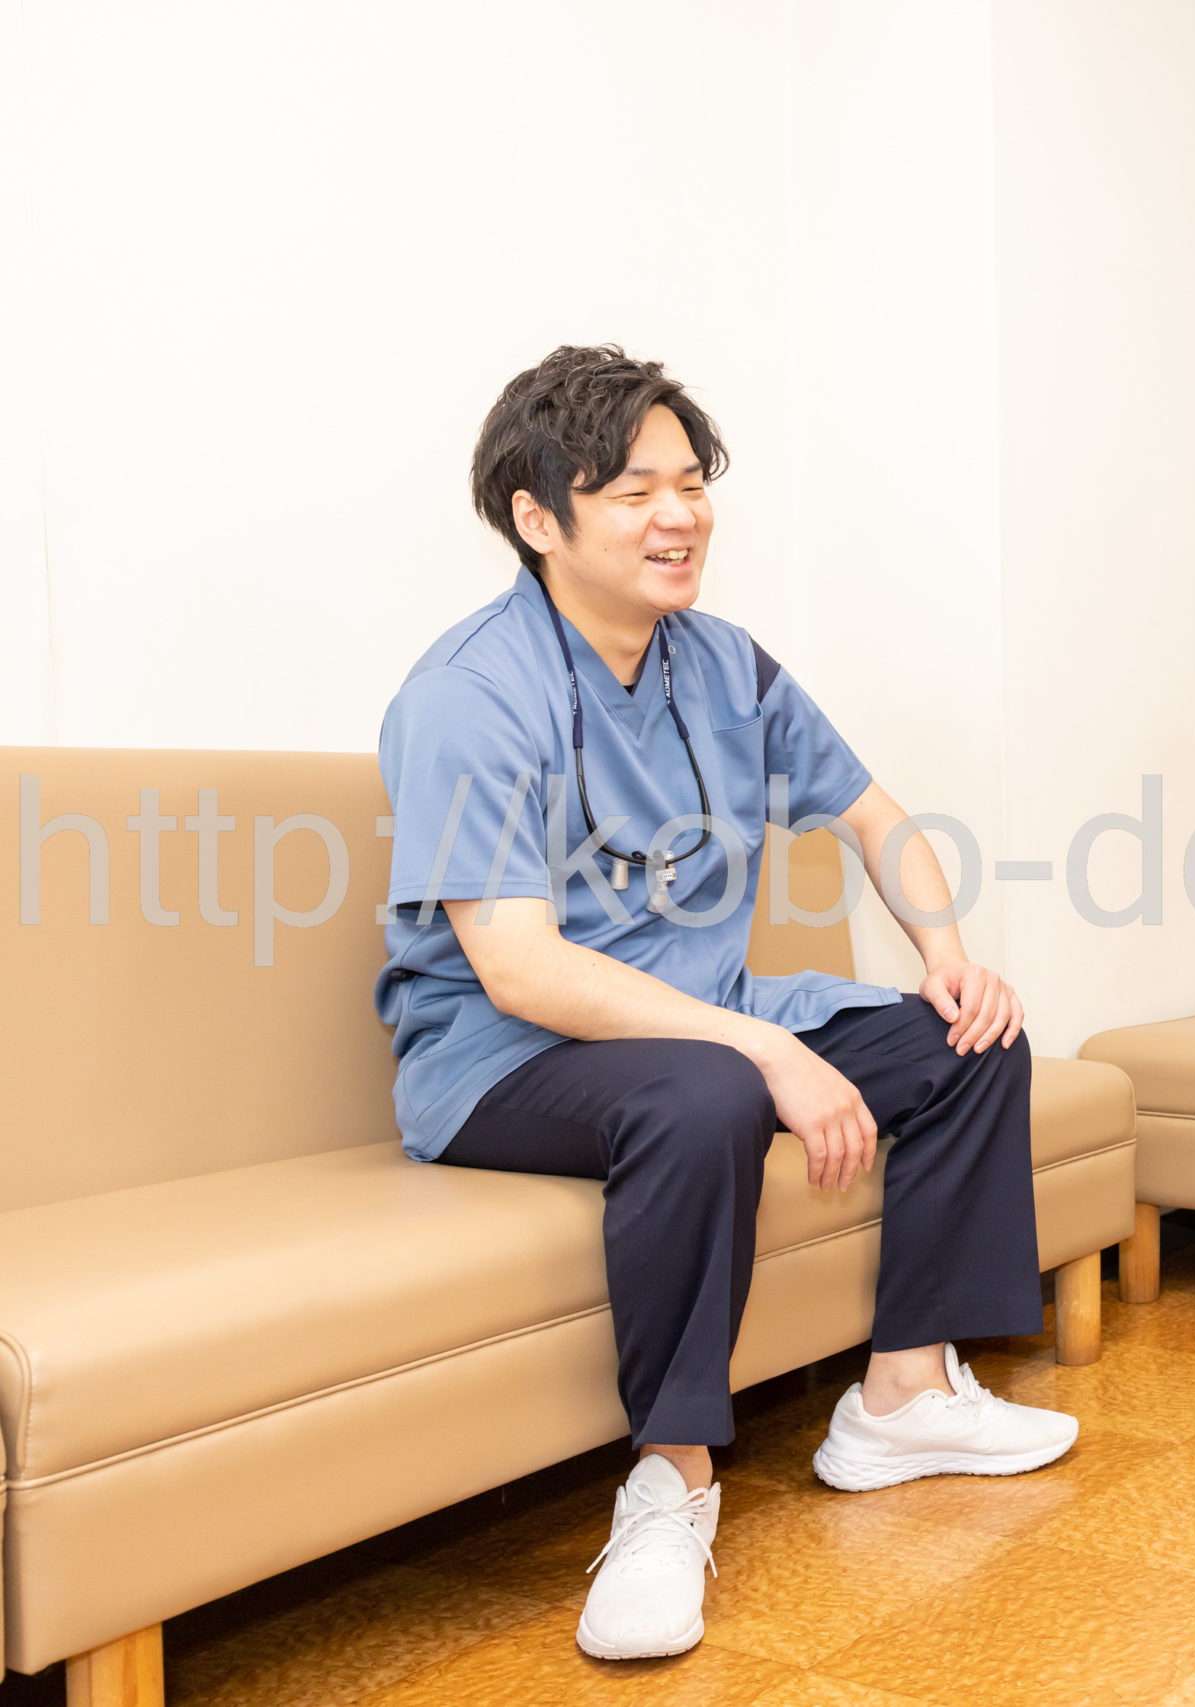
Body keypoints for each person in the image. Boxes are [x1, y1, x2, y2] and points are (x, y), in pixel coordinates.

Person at [374, 345, 1076, 1660]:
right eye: (633, 490)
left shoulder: (723, 666)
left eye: (691, 483)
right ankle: (673, 1479)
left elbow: (875, 817)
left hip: (704, 1015)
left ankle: (904, 1395)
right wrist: (760, 1046)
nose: (680, 515)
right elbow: (518, 967)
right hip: (503, 1056)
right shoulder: (468, 694)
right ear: (537, 517)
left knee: (972, 1038)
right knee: (707, 1090)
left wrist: (946, 951)